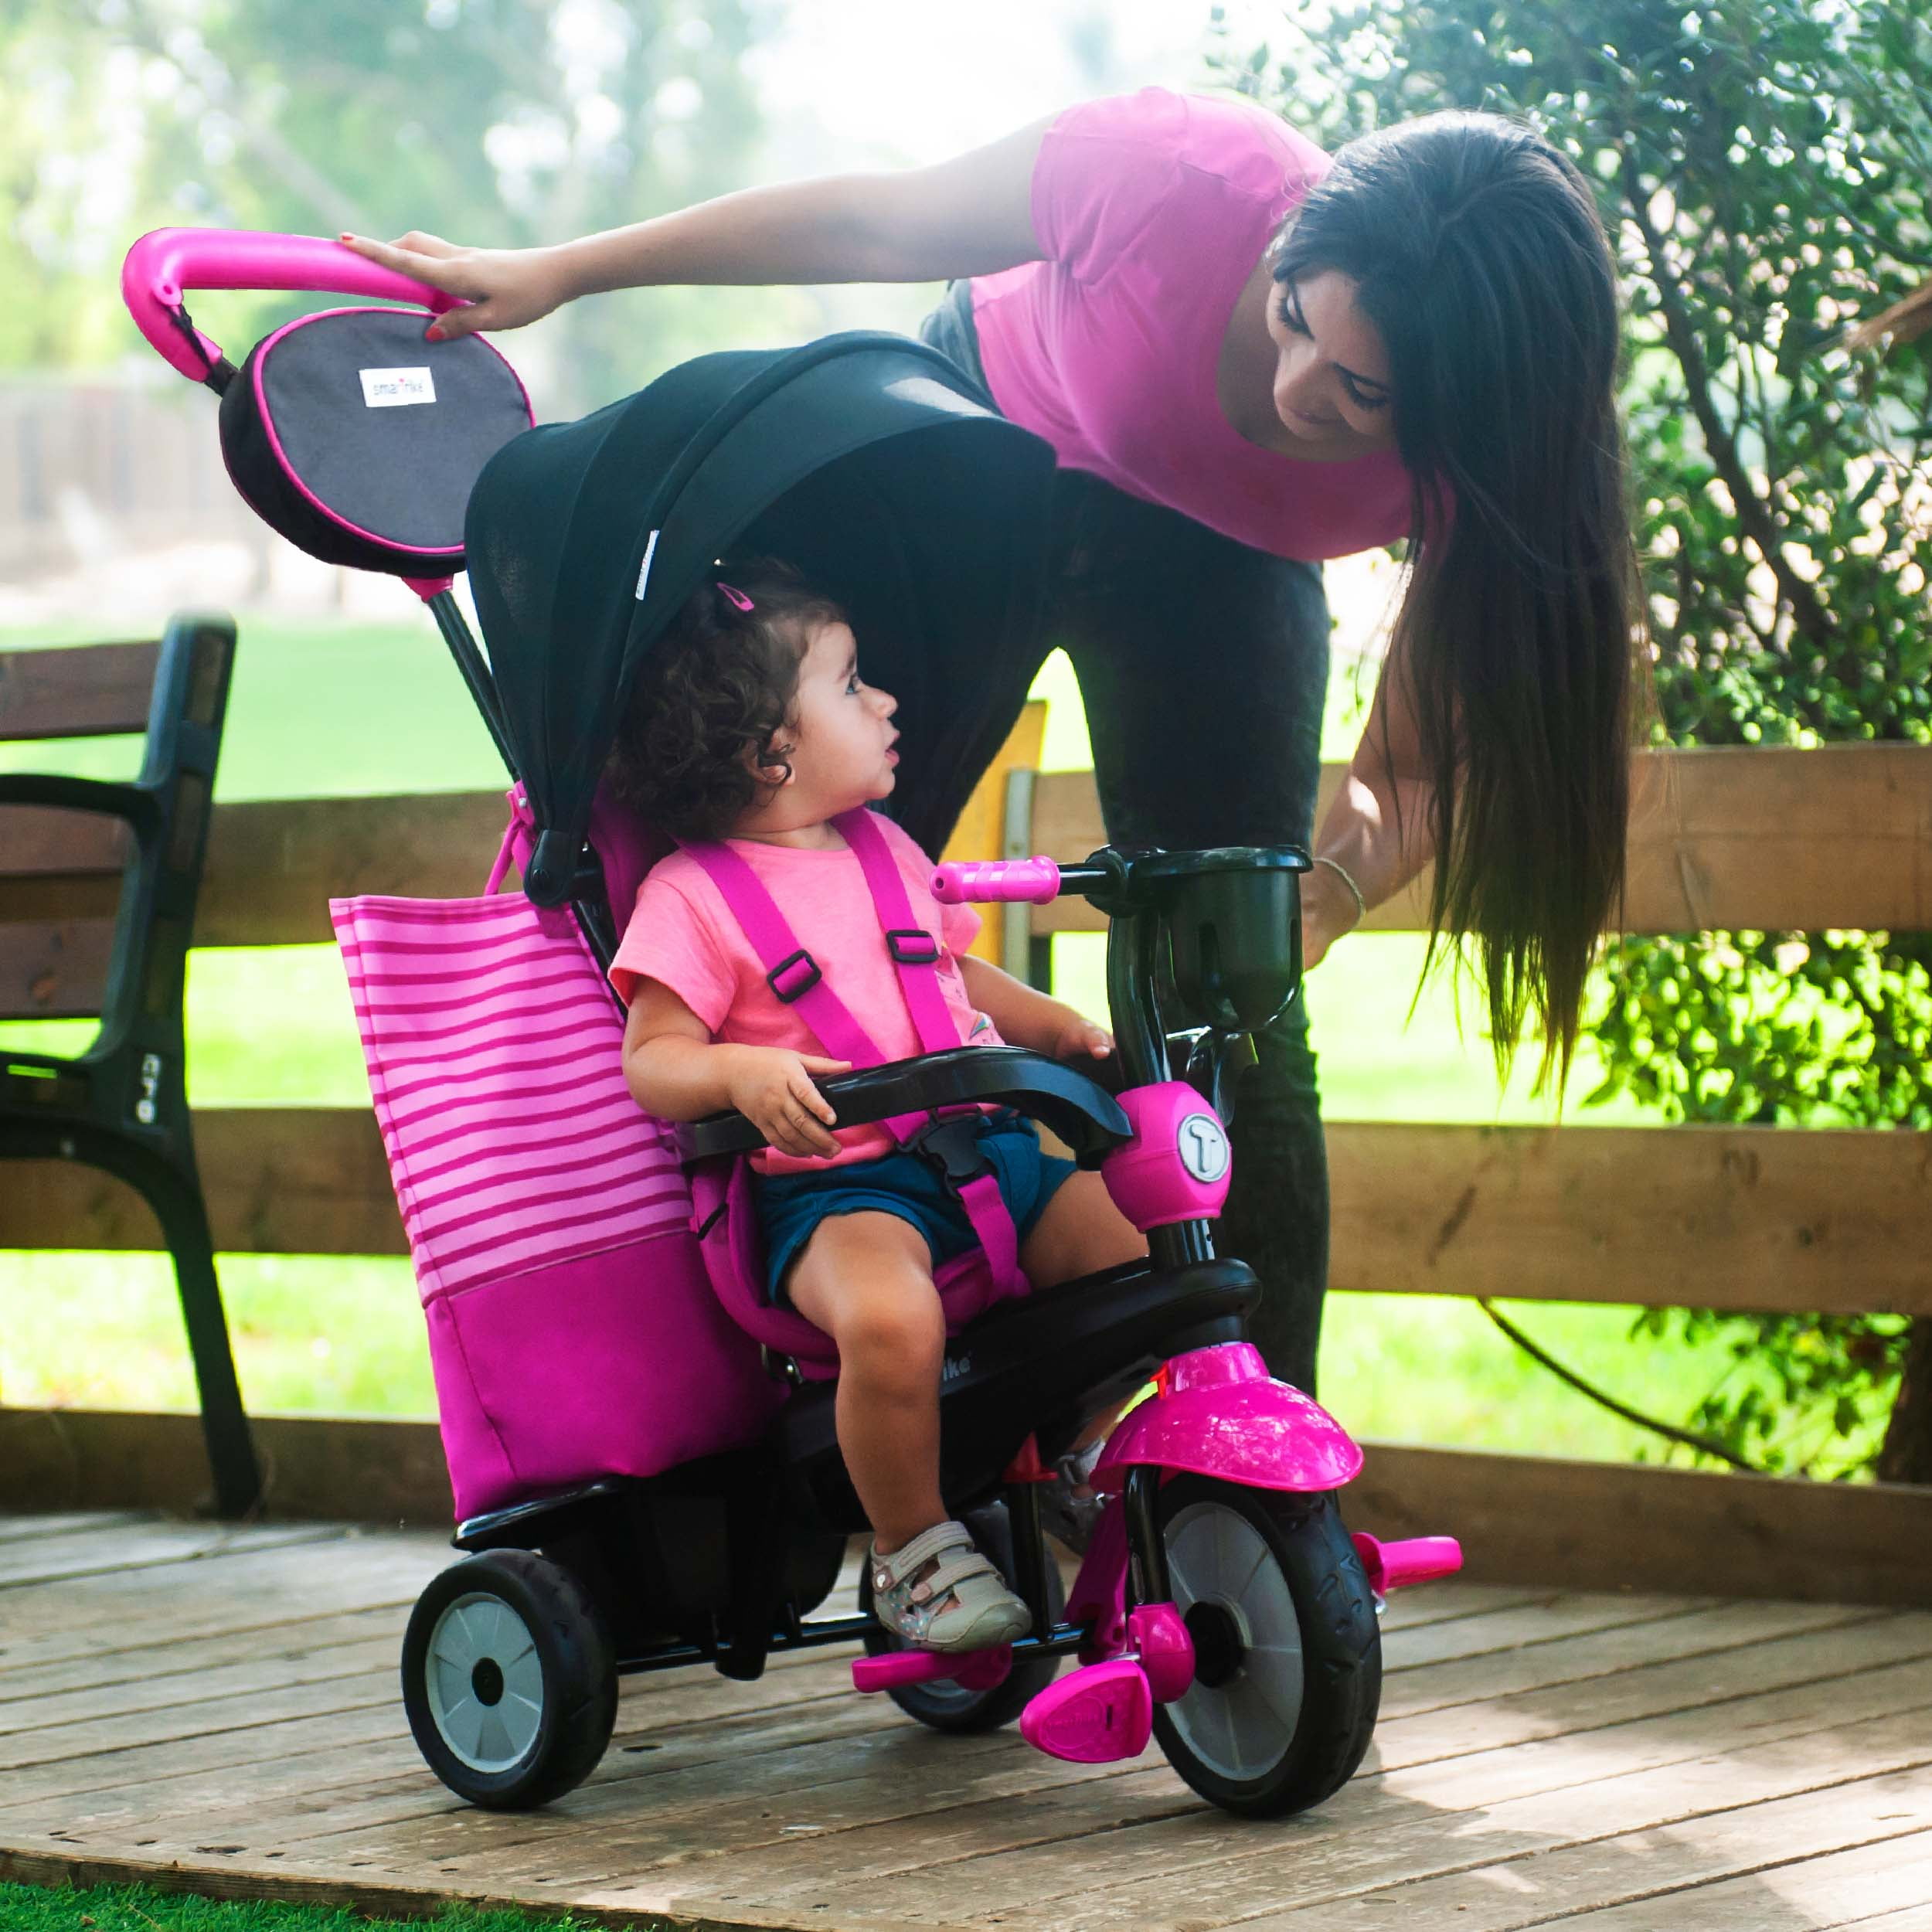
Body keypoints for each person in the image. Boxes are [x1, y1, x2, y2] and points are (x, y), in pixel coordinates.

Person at [345, 87, 1641, 1398]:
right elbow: (874, 220)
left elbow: (1414, 773)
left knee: (1234, 1018)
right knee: (777, 887)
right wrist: (563, 272)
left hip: (1220, 569)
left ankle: (1244, 1478)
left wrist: (1307, 914)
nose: (1297, 390)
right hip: (979, 462)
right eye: (1293, 312)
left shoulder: (1497, 465)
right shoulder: (1173, 172)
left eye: (1364, 391)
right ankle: (783, 1418)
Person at [607, 559, 1147, 1651]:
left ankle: (1083, 1453)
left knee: (1141, 1261)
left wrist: (1049, 1024)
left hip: (985, 1151)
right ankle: (915, 1551)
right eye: (854, 685)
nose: (889, 702)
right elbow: (653, 1057)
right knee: (890, 1324)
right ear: (772, 750)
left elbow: (950, 979)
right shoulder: (692, 895)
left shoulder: (886, 850)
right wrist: (740, 1075)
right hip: (840, 1193)